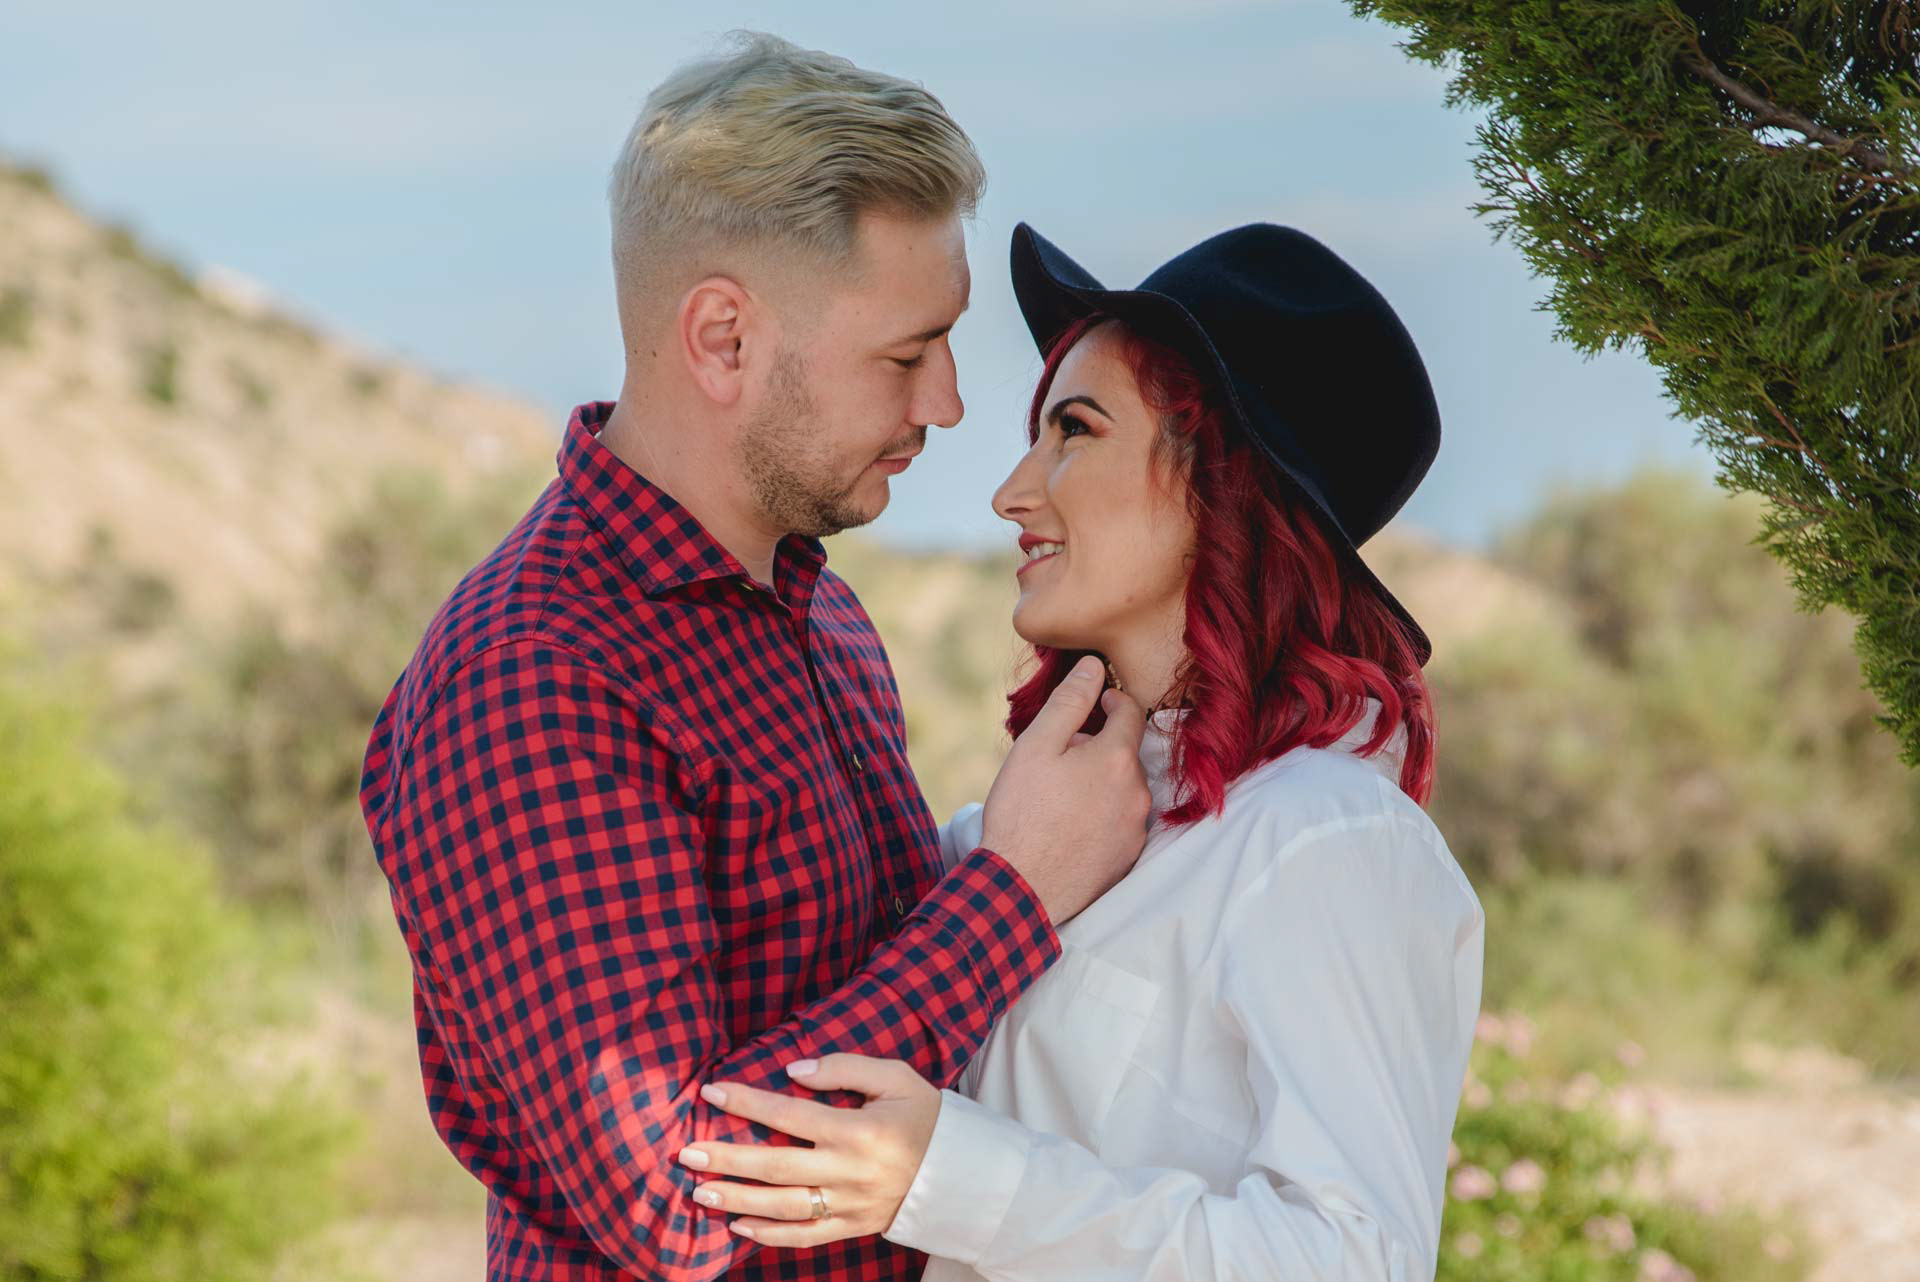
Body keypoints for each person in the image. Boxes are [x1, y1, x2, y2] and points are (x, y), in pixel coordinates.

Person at [357, 37, 1153, 1282]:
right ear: (723, 338)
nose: (946, 403)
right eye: (907, 353)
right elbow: (678, 1202)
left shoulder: (819, 614)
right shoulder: (532, 677)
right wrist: (1014, 890)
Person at [680, 221, 1486, 1281]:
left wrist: (955, 1177)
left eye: (1075, 429)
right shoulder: (1024, 829)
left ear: (1219, 487)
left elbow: (1354, 1261)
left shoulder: (1325, 839)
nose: (1013, 493)